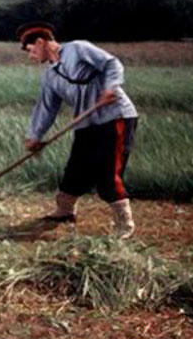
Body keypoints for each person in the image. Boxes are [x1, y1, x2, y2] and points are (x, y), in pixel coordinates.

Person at [18, 21, 139, 239]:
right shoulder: (50, 76)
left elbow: (112, 64)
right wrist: (34, 136)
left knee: (108, 173)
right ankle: (65, 211)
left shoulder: (77, 48)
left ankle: (125, 224)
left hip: (115, 117)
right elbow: (46, 108)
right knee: (76, 169)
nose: (30, 56)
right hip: (86, 123)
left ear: (40, 42)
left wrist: (110, 87)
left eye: (30, 50)